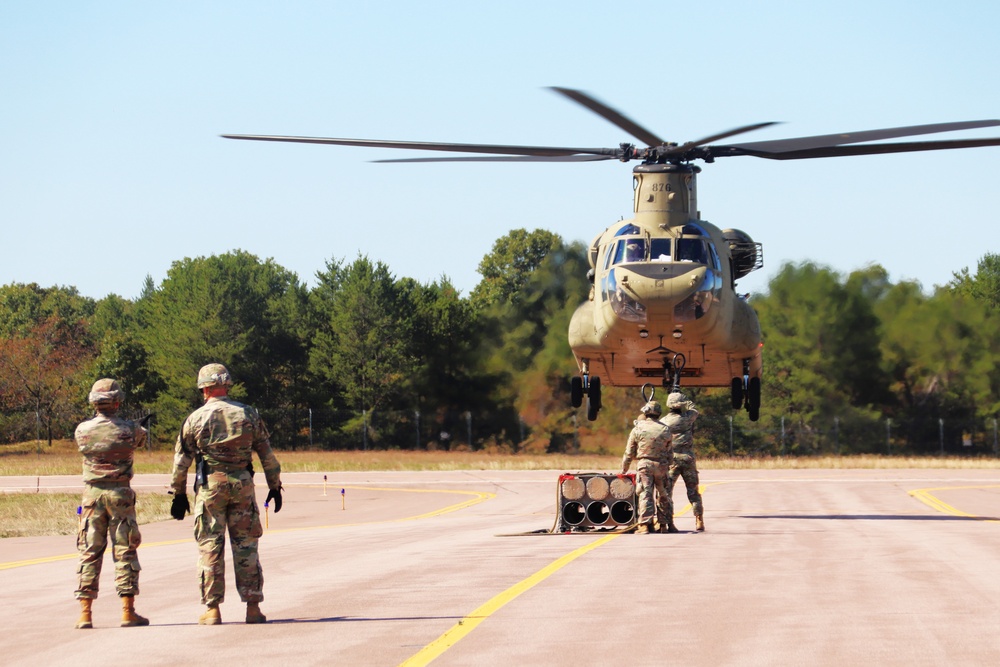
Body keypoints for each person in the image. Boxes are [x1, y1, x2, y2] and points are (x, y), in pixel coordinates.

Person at [169, 363, 283, 625]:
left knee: (210, 546)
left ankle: (212, 610)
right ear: (227, 385)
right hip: (242, 483)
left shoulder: (195, 419)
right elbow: (266, 454)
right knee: (247, 546)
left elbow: (181, 461)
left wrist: (178, 493)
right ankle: (252, 607)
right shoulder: (248, 414)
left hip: (211, 486)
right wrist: (274, 485)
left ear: (204, 388)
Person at [73, 378, 150, 629]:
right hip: (120, 495)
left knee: (90, 551)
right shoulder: (130, 430)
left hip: (92, 495)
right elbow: (139, 441)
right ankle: (127, 612)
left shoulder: (82, 430)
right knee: (125, 549)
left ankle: (86, 613)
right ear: (117, 401)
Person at [620, 400, 673, 534]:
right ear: (659, 413)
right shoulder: (665, 429)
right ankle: (663, 525)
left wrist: (624, 468)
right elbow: (669, 452)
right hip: (661, 465)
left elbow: (629, 452)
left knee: (645, 493)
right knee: (663, 494)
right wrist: (667, 465)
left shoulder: (638, 428)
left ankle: (644, 525)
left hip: (644, 465)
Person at [664, 391, 704, 531]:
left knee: (667, 493)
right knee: (693, 491)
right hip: (688, 458)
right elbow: (695, 410)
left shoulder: (664, 421)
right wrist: (687, 402)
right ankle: (699, 520)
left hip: (672, 460)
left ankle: (668, 522)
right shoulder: (687, 418)